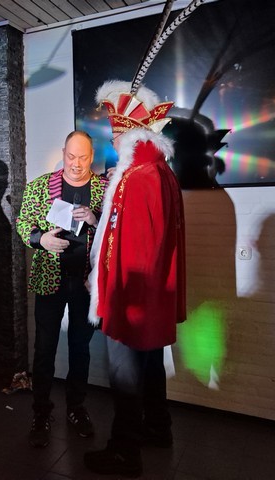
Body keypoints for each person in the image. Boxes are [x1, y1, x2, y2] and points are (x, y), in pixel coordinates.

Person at [84, 80, 186, 477]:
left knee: (125, 375)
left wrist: (107, 288)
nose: (112, 141)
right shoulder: (158, 171)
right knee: (151, 365)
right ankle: (158, 428)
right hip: (150, 297)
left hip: (132, 298)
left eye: (115, 135)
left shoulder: (140, 176)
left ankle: (125, 452)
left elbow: (135, 249)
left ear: (127, 134)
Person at [16, 130, 108, 447]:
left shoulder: (104, 189)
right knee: (44, 349)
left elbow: (117, 230)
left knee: (80, 349)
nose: (76, 164)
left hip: (86, 283)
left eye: (82, 157)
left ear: (91, 157)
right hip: (49, 279)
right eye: (71, 156)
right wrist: (40, 239)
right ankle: (41, 413)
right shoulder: (41, 186)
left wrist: (96, 219)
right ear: (63, 153)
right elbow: (23, 223)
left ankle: (76, 409)